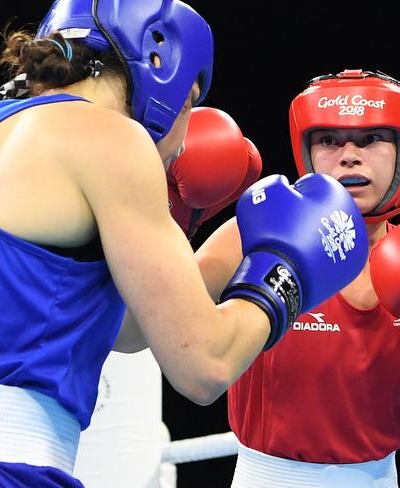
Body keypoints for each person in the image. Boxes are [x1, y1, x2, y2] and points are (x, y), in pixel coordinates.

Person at [0, 0, 370, 484]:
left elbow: (124, 331)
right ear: (164, 75)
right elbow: (205, 363)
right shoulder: (112, 138)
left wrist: (223, 249)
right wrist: (284, 272)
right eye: (191, 103)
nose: (182, 140)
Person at [194, 69, 400, 487]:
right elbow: (156, 331)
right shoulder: (254, 235)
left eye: (372, 138)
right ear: (307, 151)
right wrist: (175, 220)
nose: (350, 156)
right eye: (328, 140)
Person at [73, 105, 263, 488]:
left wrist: (170, 222)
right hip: (27, 427)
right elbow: (204, 371)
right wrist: (279, 284)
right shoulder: (81, 158)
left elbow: (130, 333)